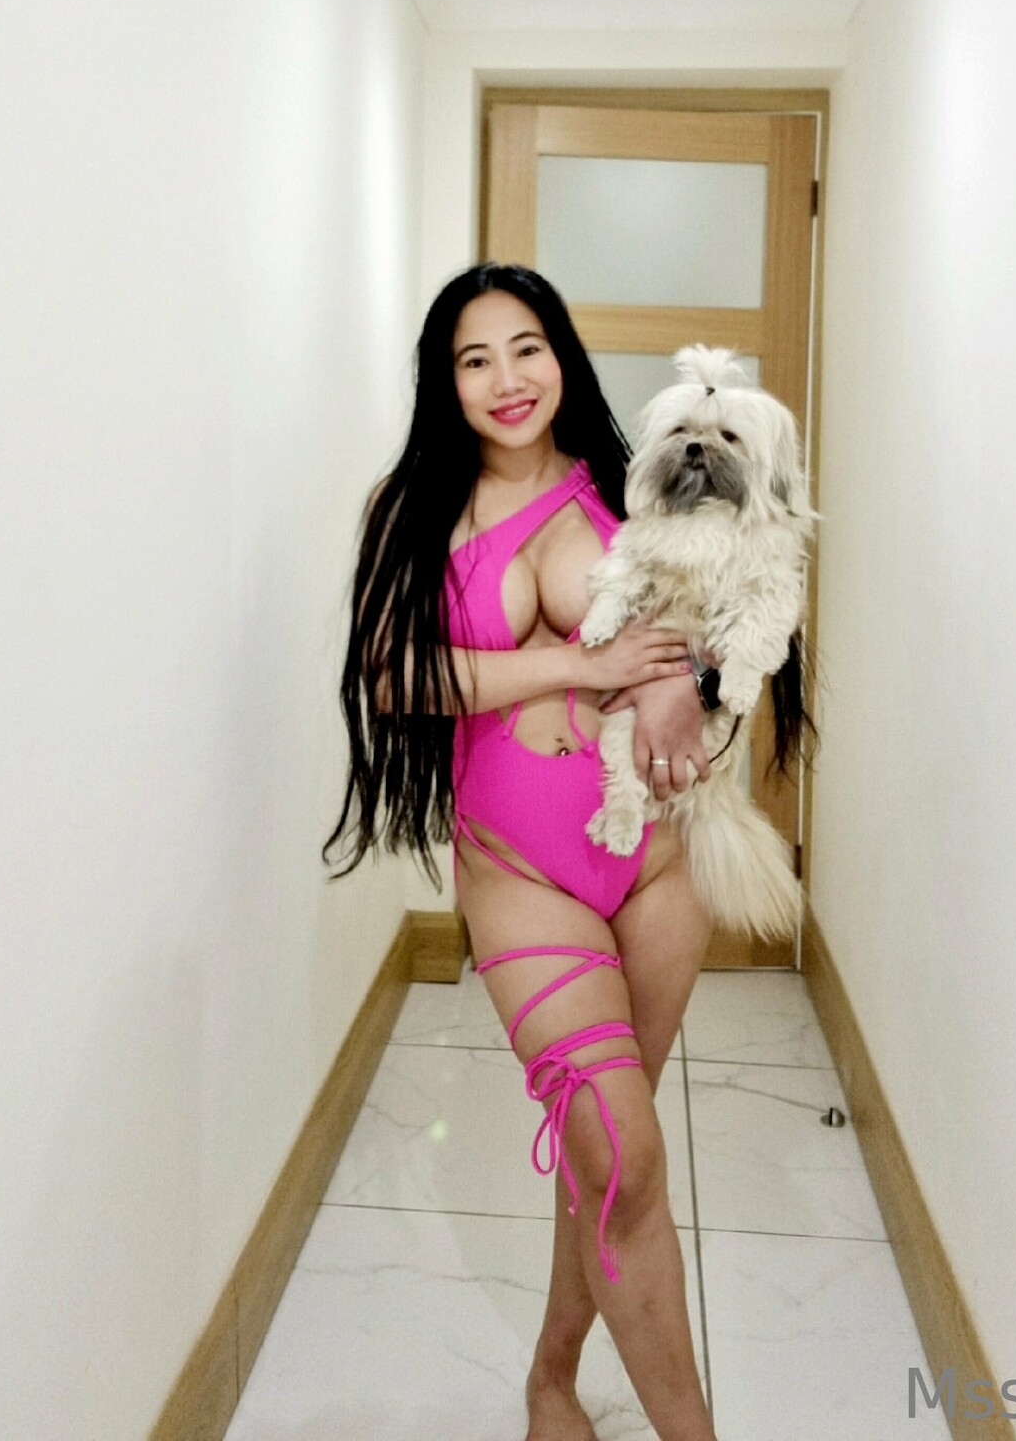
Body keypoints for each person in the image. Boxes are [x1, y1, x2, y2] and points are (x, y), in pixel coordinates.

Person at [326, 261, 725, 1441]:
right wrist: (576, 665)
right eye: (474, 358)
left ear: (562, 357)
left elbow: (714, 633)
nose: (507, 379)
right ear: (443, 382)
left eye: (527, 348)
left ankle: (554, 1376)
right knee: (623, 1155)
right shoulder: (413, 506)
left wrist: (684, 685)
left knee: (612, 1160)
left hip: (654, 866)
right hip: (524, 875)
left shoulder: (628, 485)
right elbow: (393, 676)